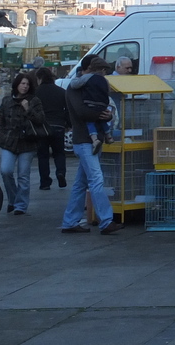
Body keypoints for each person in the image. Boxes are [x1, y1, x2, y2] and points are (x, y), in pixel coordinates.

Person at [61, 57, 122, 234]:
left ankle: (70, 221)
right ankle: (106, 221)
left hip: (88, 140)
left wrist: (107, 116)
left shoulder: (83, 86)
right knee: (96, 179)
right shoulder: (75, 87)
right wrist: (104, 115)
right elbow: (81, 112)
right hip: (85, 140)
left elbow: (95, 109)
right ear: (89, 69)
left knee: (81, 183)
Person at [0, 72, 46, 215]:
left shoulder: (34, 101)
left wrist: (28, 109)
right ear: (16, 84)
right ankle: (13, 199)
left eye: (27, 84)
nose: (24, 86)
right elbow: (0, 120)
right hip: (9, 141)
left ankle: (21, 205)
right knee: (6, 171)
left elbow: (40, 120)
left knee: (23, 175)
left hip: (28, 142)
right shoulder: (7, 101)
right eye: (22, 83)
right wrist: (1, 134)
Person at [68, 59, 114, 152]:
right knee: (102, 120)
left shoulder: (88, 77)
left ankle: (95, 140)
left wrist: (77, 77)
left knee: (90, 122)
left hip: (91, 104)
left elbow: (74, 84)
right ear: (103, 70)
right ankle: (108, 136)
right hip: (103, 104)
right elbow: (108, 91)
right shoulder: (105, 80)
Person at [34, 67, 69, 190]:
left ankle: (45, 183)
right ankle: (60, 173)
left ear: (40, 78)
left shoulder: (36, 93)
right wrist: (67, 124)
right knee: (59, 153)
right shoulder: (61, 92)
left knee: (43, 155)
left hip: (42, 127)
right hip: (58, 126)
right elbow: (67, 110)